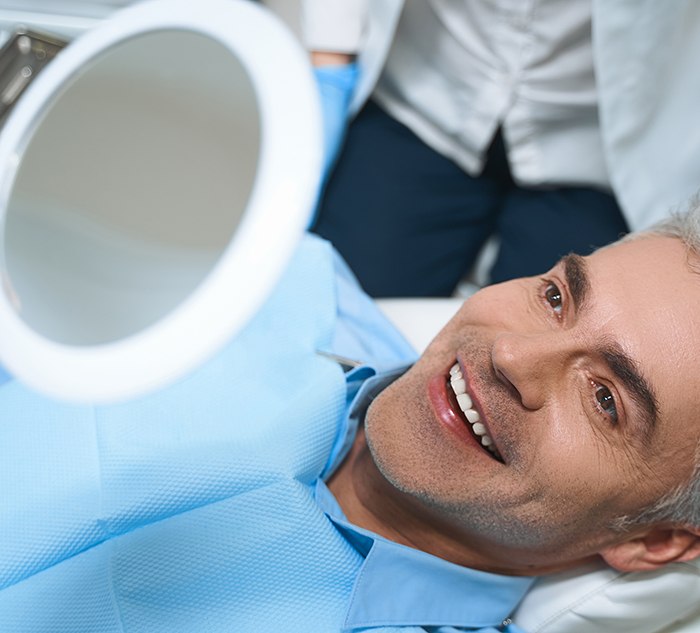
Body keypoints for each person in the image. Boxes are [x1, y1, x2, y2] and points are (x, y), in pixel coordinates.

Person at [1, 203, 700, 632]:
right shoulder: (284, 282)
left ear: (656, 540)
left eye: (605, 398)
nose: (512, 354)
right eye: (555, 296)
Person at [304, 0, 700, 297]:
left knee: (544, 363)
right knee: (333, 309)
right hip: (426, 98)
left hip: (596, 149)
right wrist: (329, 55)